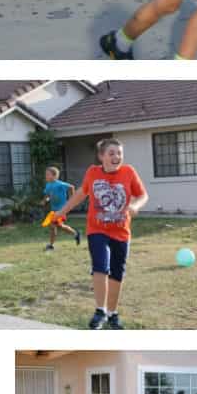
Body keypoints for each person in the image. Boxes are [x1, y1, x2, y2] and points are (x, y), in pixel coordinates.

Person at [56, 138, 148, 329]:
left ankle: (112, 314)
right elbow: (81, 193)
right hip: (97, 230)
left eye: (119, 153)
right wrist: (62, 211)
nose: (117, 157)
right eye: (112, 153)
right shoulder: (93, 172)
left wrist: (135, 205)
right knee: (100, 266)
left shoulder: (129, 172)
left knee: (117, 273)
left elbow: (142, 195)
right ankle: (100, 310)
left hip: (121, 232)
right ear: (101, 156)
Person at [42, 165, 81, 251]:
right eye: (46, 174)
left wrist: (72, 198)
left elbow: (71, 187)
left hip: (62, 209)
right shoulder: (48, 185)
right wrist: (45, 200)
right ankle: (75, 234)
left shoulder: (60, 184)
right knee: (58, 226)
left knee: (54, 226)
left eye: (48, 174)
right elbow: (47, 194)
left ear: (54, 176)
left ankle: (51, 245)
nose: (46, 176)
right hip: (53, 209)